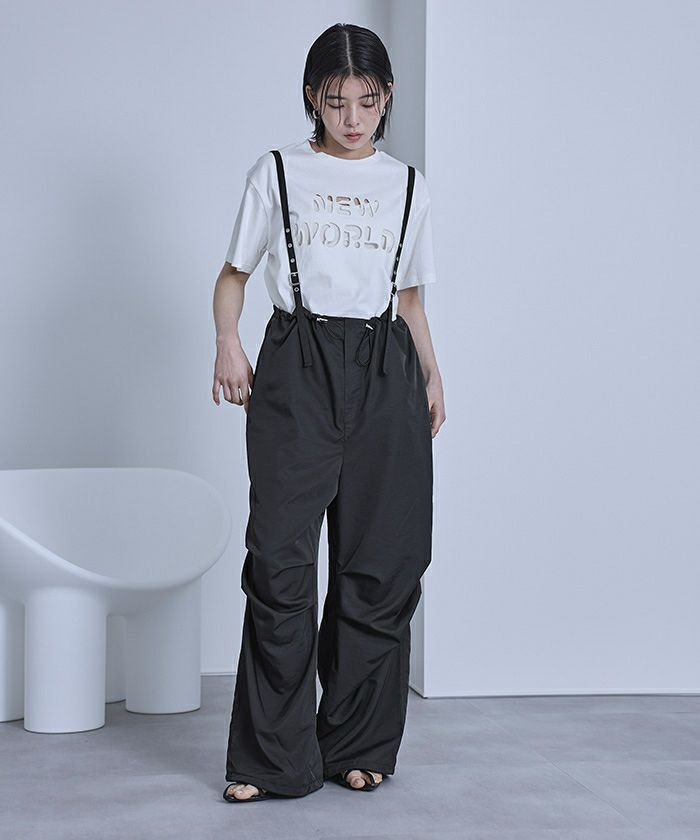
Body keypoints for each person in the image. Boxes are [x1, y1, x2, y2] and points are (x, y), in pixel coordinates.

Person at [212, 22, 446, 803]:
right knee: (280, 564)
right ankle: (270, 760)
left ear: (386, 99)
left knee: (381, 564)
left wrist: (433, 376)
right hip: (298, 363)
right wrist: (228, 344)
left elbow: (408, 298)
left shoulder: (407, 185)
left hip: (386, 370)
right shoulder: (278, 172)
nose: (352, 117)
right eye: (337, 100)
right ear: (313, 97)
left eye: (367, 101)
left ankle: (357, 744)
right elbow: (233, 276)